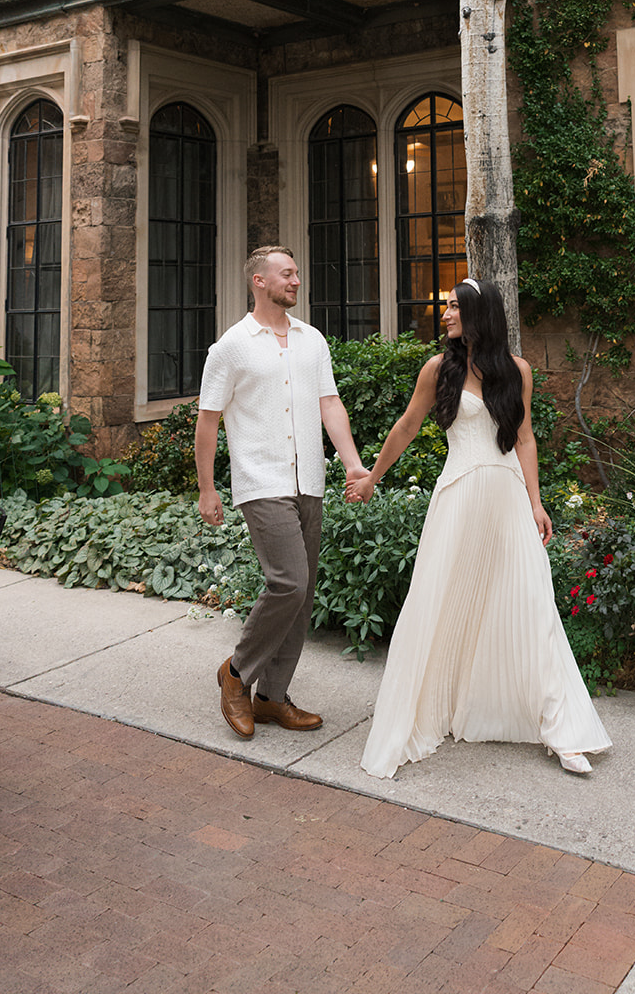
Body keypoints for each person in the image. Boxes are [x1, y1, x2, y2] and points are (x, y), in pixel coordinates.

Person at [346, 278, 611, 779]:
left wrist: (536, 503)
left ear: (478, 314)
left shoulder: (518, 371)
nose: (444, 314)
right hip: (459, 499)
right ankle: (435, 707)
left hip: (508, 498)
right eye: (445, 307)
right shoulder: (438, 369)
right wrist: (372, 479)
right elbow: (406, 426)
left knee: (532, 604)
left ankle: (563, 731)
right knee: (442, 600)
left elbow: (525, 437)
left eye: (452, 307)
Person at [196, 245, 368, 739]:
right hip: (261, 481)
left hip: (308, 480)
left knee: (303, 593)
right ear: (258, 281)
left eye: (296, 274)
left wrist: (353, 464)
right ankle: (236, 673)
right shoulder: (231, 347)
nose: (295, 281)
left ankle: (272, 697)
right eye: (286, 274)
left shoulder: (312, 340)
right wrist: (208, 488)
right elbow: (208, 421)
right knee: (288, 582)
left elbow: (330, 405)